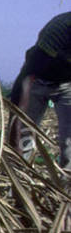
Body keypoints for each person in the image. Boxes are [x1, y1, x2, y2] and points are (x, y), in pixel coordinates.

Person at [10, 10, 71, 172]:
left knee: (70, 143)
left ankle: (66, 192)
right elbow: (35, 64)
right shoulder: (59, 29)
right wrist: (18, 99)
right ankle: (19, 182)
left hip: (67, 85)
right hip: (36, 80)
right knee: (22, 137)